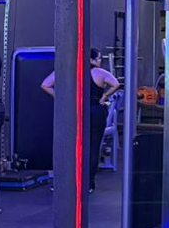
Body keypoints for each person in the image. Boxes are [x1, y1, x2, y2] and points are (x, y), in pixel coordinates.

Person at [41, 49, 121, 191]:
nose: (100, 61)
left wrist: (61, 98)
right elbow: (116, 84)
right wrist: (104, 97)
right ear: (91, 60)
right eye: (98, 58)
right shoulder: (100, 73)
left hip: (74, 111)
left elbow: (45, 85)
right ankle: (88, 183)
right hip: (95, 110)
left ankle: (63, 182)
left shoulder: (67, 70)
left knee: (70, 147)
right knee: (93, 147)